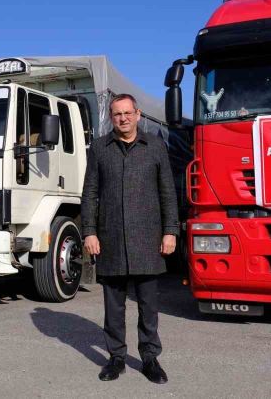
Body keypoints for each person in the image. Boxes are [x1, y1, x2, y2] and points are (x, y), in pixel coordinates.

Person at [81, 93, 179, 384]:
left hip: (148, 238)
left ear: (137, 114)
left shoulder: (155, 146)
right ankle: (117, 358)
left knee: (148, 305)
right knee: (114, 305)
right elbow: (90, 193)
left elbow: (167, 192)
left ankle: (150, 358)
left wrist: (170, 231)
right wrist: (89, 231)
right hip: (110, 237)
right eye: (116, 114)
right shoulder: (100, 148)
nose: (122, 118)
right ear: (111, 118)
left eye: (127, 113)